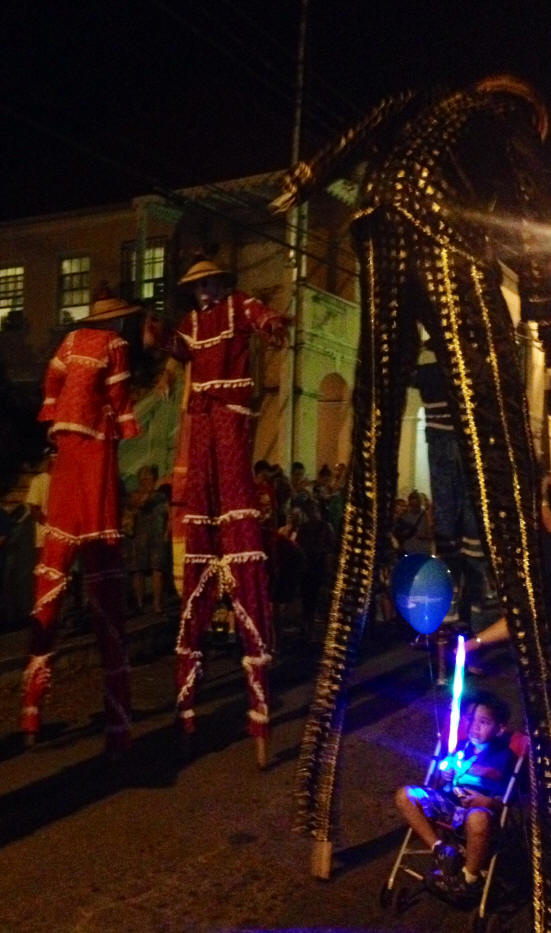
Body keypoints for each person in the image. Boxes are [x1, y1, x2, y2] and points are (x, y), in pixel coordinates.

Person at [271, 76, 551, 908]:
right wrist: (538, 314)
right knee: (490, 400)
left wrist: (309, 176)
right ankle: (537, 889)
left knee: (364, 473)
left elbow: (376, 112)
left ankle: (313, 816)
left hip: (376, 219)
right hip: (439, 233)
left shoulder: (439, 99)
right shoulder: (510, 124)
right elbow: (533, 215)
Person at [144, 256, 288, 761]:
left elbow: (261, 317)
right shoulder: (193, 322)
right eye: (198, 287)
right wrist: (160, 345)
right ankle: (185, 710)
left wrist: (272, 327)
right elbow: (177, 350)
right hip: (200, 417)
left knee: (232, 495)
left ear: (220, 283)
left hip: (227, 412)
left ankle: (259, 713)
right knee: (202, 501)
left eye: (209, 284)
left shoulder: (237, 306)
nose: (204, 292)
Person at [19, 290, 141, 758]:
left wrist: (55, 407)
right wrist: (125, 423)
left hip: (68, 453)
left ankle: (31, 711)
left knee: (49, 585)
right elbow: (119, 393)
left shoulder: (70, 343)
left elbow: (52, 380)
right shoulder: (115, 345)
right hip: (94, 461)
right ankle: (118, 724)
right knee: (106, 591)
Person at [395, 692, 516, 903]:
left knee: (478, 818)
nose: (474, 727)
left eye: (484, 722)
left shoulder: (504, 757)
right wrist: (445, 776)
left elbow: (511, 801)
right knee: (405, 795)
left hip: (480, 811)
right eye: (471, 720)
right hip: (449, 803)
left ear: (499, 728)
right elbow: (444, 782)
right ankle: (440, 849)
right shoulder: (461, 747)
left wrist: (487, 802)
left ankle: (469, 879)